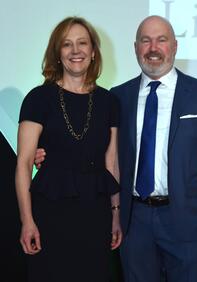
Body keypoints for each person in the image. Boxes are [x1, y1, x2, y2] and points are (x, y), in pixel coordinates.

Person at [35, 15, 197, 282]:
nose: (153, 48)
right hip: (134, 220)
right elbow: (96, 148)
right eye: (146, 40)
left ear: (174, 46)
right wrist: (50, 154)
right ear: (135, 47)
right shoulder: (117, 97)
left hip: (186, 218)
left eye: (161, 40)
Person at [15, 16, 122, 282]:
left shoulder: (109, 102)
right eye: (67, 44)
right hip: (50, 214)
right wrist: (27, 221)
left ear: (93, 51)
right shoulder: (38, 99)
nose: (76, 51)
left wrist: (115, 215)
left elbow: (111, 163)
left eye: (82, 43)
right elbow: (24, 163)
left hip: (95, 214)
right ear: (57, 54)